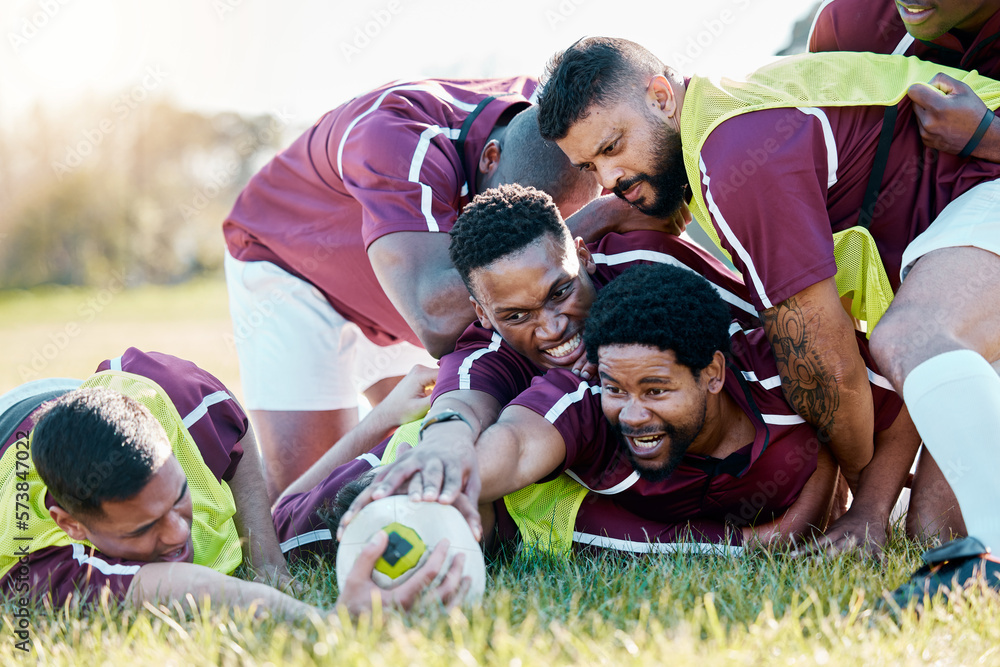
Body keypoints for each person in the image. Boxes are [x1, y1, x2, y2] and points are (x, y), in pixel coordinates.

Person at [534, 37, 1000, 587]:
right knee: (932, 533)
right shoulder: (713, 124)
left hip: (986, 183)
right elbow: (654, 200)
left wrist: (860, 504)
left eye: (613, 147)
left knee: (909, 335)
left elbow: (829, 369)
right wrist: (560, 241)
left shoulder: (733, 156)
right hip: (968, 250)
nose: (609, 178)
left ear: (661, 97)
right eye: (591, 165)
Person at [340, 263, 913, 551]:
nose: (633, 414)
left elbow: (899, 405)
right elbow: (513, 443)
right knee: (307, 523)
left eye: (657, 390)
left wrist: (868, 514)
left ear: (713, 373)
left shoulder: (778, 370)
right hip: (411, 464)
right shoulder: (585, 395)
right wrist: (444, 479)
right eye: (618, 389)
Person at [223, 77, 601, 501]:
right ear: (490, 158)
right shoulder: (394, 137)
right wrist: (593, 221)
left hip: (413, 277)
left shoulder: (549, 123)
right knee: (302, 503)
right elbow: (437, 322)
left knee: (417, 441)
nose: (528, 259)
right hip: (293, 271)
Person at [0, 349, 465, 617]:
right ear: (73, 525)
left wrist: (269, 563)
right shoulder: (42, 566)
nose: (178, 534)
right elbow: (185, 589)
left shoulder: (175, 400)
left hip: (72, 399)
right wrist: (327, 621)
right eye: (142, 530)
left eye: (178, 499)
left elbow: (235, 433)